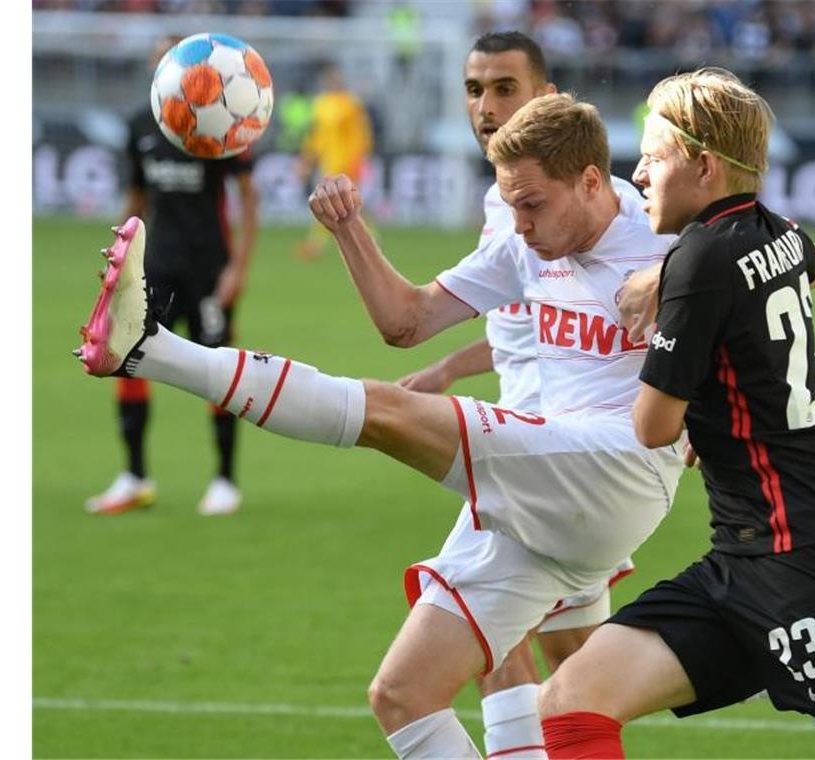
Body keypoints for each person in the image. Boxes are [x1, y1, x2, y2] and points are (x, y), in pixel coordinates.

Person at [74, 91, 682, 757]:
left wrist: (677, 270)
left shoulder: (666, 228)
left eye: (532, 204)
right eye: (510, 205)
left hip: (621, 464)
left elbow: (792, 251)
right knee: (402, 694)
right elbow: (406, 321)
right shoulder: (523, 243)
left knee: (388, 415)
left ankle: (148, 347)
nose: (521, 224)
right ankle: (142, 346)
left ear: (591, 181)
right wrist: (348, 229)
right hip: (556, 483)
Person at [536, 68, 815, 759]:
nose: (640, 172)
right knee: (571, 697)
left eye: (654, 156)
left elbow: (653, 425)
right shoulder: (774, 229)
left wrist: (662, 310)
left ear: (705, 165)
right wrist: (675, 281)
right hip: (741, 555)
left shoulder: (703, 256)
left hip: (806, 550)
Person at [393, 31, 638, 757]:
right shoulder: (500, 200)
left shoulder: (592, 205)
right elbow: (522, 326)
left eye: (505, 87)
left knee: (468, 653)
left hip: (550, 445)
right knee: (574, 667)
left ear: (549, 99)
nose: (487, 106)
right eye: (474, 89)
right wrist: (450, 370)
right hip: (528, 428)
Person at [84, 34, 259, 517]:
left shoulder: (220, 125)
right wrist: (117, 260)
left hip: (209, 271)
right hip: (154, 269)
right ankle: (135, 476)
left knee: (219, 371)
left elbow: (248, 200)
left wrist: (238, 269)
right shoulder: (140, 126)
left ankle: (225, 481)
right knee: (126, 360)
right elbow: (137, 199)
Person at [295, 61, 375, 260]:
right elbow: (316, 135)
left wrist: (359, 159)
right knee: (344, 203)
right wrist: (307, 160)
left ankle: (316, 243)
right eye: (330, 77)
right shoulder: (321, 104)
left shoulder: (351, 104)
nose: (333, 80)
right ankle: (372, 237)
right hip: (328, 160)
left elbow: (361, 135)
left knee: (332, 201)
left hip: (346, 161)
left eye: (336, 77)